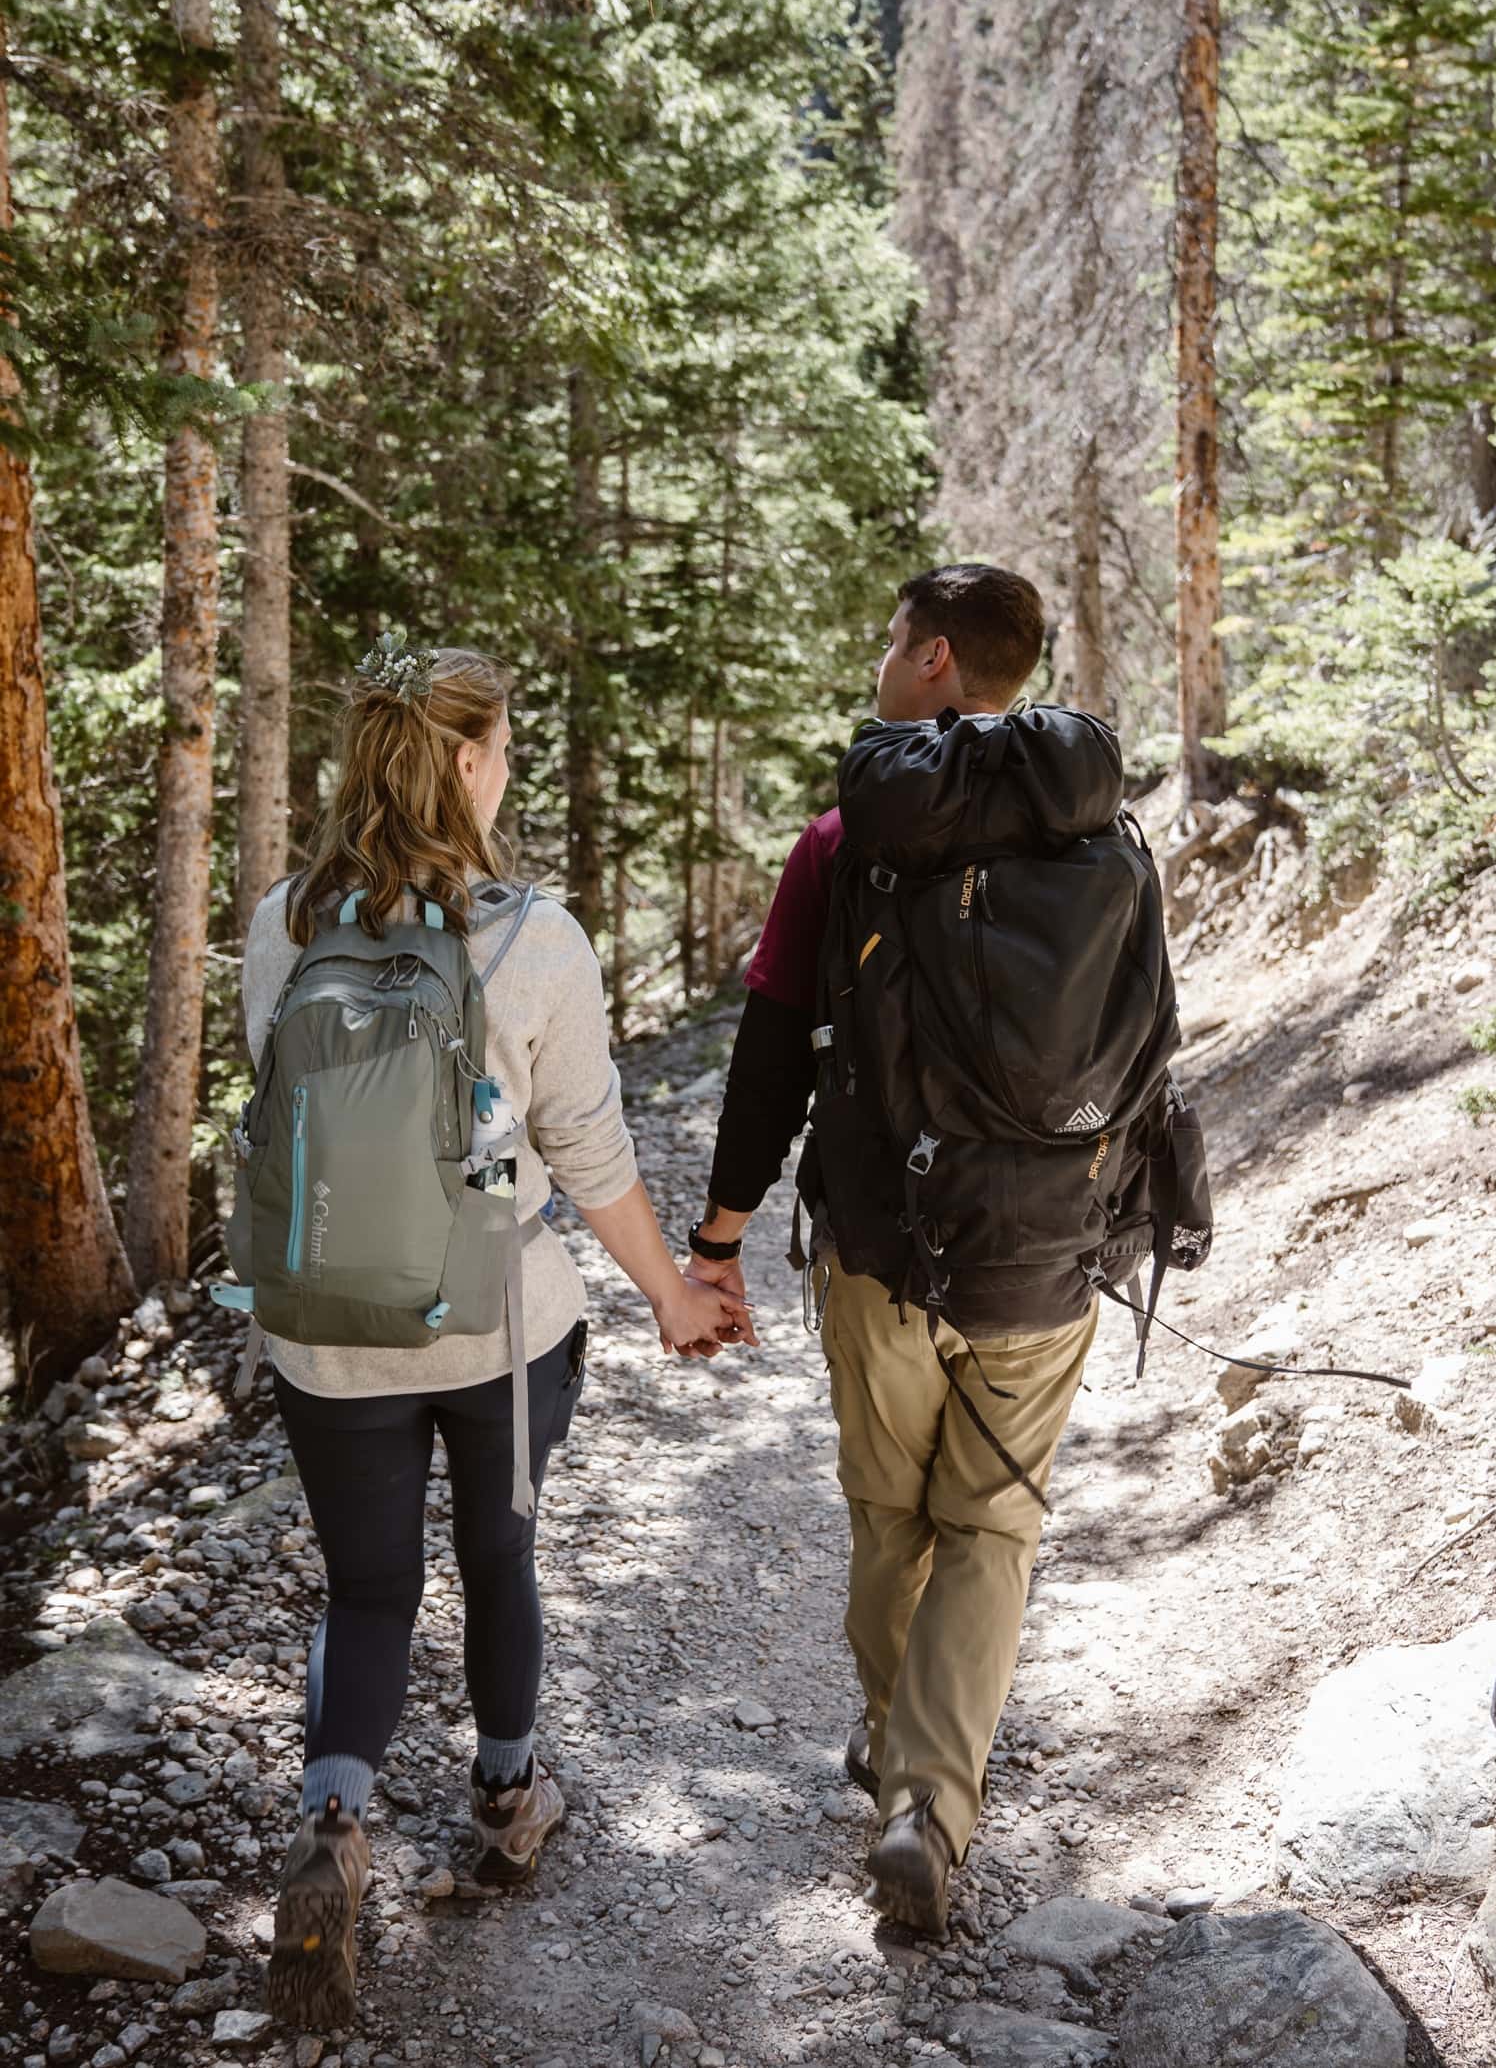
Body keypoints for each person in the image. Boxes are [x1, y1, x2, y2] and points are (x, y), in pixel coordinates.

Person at [240, 639, 753, 2029]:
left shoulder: (287, 919)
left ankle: (333, 1821)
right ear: (464, 762)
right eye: (504, 744)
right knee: (497, 1549)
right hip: (499, 1329)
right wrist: (670, 1289)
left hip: (325, 1333)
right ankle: (509, 1795)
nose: (510, 764)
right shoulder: (536, 936)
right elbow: (587, 1151)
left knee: (365, 1589)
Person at [685, 563, 1100, 1935]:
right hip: (1045, 1257)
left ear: (930, 660)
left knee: (893, 1512)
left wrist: (719, 1235)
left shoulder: (838, 843)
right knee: (993, 1526)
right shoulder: (1104, 842)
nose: (878, 659)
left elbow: (768, 1059)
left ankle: (895, 1753)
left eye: (887, 638)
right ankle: (932, 1800)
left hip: (879, 1246)